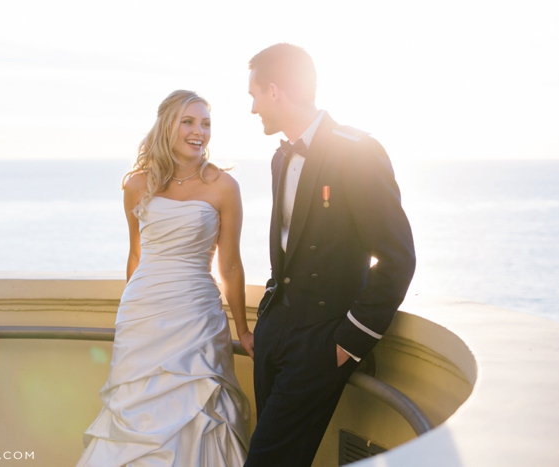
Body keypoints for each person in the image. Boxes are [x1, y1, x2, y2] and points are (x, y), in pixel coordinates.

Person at [245, 44, 416, 467]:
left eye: (254, 96)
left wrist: (347, 344)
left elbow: (397, 257)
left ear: (275, 91)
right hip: (276, 333)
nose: (252, 109)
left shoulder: (356, 151)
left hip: (320, 342)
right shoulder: (280, 158)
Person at [75, 90, 253, 467]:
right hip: (143, 317)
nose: (198, 131)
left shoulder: (223, 187)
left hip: (196, 316)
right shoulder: (138, 185)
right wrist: (131, 316)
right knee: (135, 416)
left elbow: (231, 266)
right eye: (188, 121)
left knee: (201, 410)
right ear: (167, 126)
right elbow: (136, 254)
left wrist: (243, 328)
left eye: (205, 123)